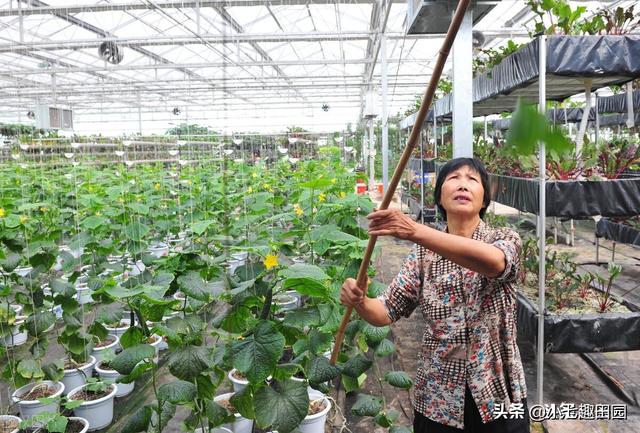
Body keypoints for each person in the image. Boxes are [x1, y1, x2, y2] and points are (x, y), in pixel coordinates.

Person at [340, 157, 529, 433]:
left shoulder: (504, 239)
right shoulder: (422, 255)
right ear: (439, 197)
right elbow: (385, 310)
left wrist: (415, 230)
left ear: (484, 200)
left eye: (472, 179)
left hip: (498, 394)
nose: (463, 184)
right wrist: (360, 301)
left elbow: (495, 263)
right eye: (453, 178)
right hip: (439, 399)